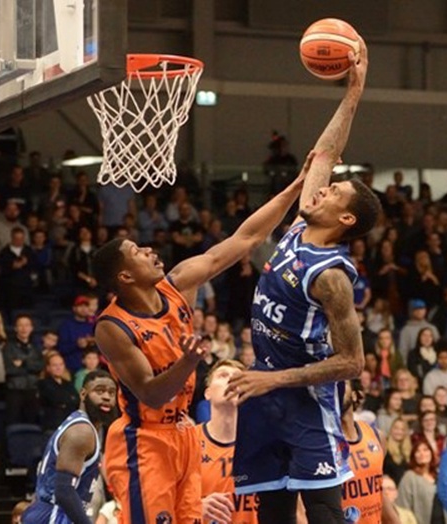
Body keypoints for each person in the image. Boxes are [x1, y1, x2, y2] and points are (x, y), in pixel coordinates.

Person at [92, 129, 321, 523]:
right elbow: (149, 394)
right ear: (125, 278)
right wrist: (187, 361)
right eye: (135, 252)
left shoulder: (180, 282)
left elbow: (247, 237)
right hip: (143, 439)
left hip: (184, 434)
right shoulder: (112, 327)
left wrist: (295, 187)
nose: (147, 249)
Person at [227, 44, 381, 521]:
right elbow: (326, 152)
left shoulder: (330, 276)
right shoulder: (298, 226)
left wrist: (274, 378)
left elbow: (353, 362)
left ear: (346, 217)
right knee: (270, 516)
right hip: (264, 393)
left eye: (334, 191)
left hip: (306, 404)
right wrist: (353, 90)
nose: (325, 187)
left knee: (324, 515)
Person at [21, 375, 101, 524]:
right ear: (83, 394)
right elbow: (64, 491)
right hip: (55, 514)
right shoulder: (81, 432)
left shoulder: (75, 423)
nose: (106, 397)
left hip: (46, 510)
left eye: (111, 392)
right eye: (100, 391)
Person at [196, 360, 258, 524]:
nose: (231, 381)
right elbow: (163, 503)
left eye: (238, 378)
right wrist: (194, 508)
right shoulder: (187, 442)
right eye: (223, 376)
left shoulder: (266, 443)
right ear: (207, 393)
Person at [340, 379, 399, 524]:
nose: (335, 388)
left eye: (341, 383)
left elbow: (377, 489)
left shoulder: (377, 436)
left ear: (355, 395)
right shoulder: (320, 445)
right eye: (329, 385)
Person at [397, 441, 439, 524]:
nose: (422, 453)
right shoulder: (409, 477)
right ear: (414, 456)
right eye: (418, 451)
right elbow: (403, 507)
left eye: (425, 450)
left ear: (431, 453)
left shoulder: (439, 474)